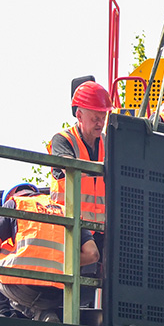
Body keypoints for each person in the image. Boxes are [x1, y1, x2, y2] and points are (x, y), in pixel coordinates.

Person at [0, 182, 99, 322]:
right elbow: (92, 254)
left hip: (25, 290)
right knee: (19, 289)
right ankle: (44, 314)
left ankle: (2, 315)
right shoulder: (66, 211)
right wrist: (60, 260)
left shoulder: (14, 204)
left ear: (11, 196)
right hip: (60, 293)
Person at [47, 79, 112, 232]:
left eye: (103, 118)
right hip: (68, 227)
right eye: (95, 118)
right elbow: (71, 168)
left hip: (102, 230)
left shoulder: (107, 143)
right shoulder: (62, 140)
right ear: (79, 116)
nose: (100, 123)